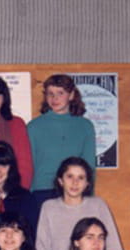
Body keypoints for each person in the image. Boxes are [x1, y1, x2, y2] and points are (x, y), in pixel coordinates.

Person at [36, 157, 124, 250]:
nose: (75, 182)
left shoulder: (98, 205)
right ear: (60, 181)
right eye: (70, 176)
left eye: (81, 178)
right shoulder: (49, 207)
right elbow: (41, 249)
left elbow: (114, 248)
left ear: (87, 183)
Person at [28, 74, 96, 208]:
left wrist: (88, 196)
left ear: (71, 95)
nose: (55, 98)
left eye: (60, 93)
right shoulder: (33, 127)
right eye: (50, 94)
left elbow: (89, 166)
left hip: (74, 191)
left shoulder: (85, 126)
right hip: (42, 192)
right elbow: (30, 165)